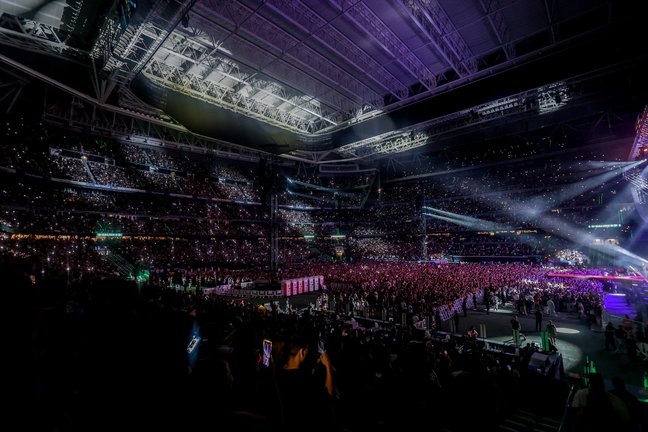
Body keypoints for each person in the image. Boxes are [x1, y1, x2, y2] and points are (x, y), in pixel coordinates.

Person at [276, 336, 334, 431]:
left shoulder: (278, 371)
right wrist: (328, 366)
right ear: (301, 353)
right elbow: (329, 397)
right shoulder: (304, 382)